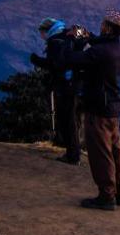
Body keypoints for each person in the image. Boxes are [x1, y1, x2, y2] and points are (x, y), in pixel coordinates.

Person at [64, 9, 120, 210]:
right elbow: (101, 43)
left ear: (108, 28)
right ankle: (119, 192)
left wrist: (72, 41)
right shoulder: (118, 48)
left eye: (103, 24)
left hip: (98, 108)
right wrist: (88, 35)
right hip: (113, 106)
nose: (100, 26)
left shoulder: (99, 52)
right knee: (115, 149)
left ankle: (106, 196)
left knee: (100, 151)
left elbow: (72, 59)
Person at [30, 17, 82, 165]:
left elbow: (55, 65)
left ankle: (72, 155)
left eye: (41, 32)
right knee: (71, 119)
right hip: (76, 84)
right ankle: (74, 152)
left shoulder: (55, 42)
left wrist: (36, 60)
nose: (41, 36)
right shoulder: (67, 34)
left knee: (66, 120)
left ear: (46, 30)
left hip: (64, 86)